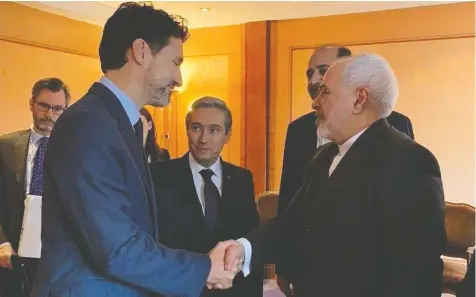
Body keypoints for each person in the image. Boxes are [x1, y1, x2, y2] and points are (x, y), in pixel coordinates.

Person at [32, 3, 238, 297]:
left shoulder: (122, 124)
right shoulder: (88, 124)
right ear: (141, 51)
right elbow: (117, 248)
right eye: (175, 62)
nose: (179, 79)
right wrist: (204, 268)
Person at [224, 54, 446, 297]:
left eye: (324, 92)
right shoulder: (323, 157)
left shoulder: (409, 161)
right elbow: (292, 223)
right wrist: (243, 248)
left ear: (359, 100)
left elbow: (416, 274)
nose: (314, 103)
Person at [278, 45, 415, 217]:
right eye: (309, 74)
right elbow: (288, 206)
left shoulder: (407, 145)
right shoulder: (304, 137)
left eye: (323, 71)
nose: (314, 81)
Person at [150, 97, 263, 297]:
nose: (204, 138)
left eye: (214, 130)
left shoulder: (242, 179)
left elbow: (249, 242)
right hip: (177, 291)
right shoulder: (159, 175)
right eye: (196, 128)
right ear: (187, 130)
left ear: (227, 135)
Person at [0, 77, 70, 295]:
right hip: (12, 254)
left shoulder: (75, 149)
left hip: (59, 254)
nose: (50, 115)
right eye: (44, 106)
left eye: (58, 109)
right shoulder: (6, 146)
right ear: (32, 104)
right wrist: (1, 243)